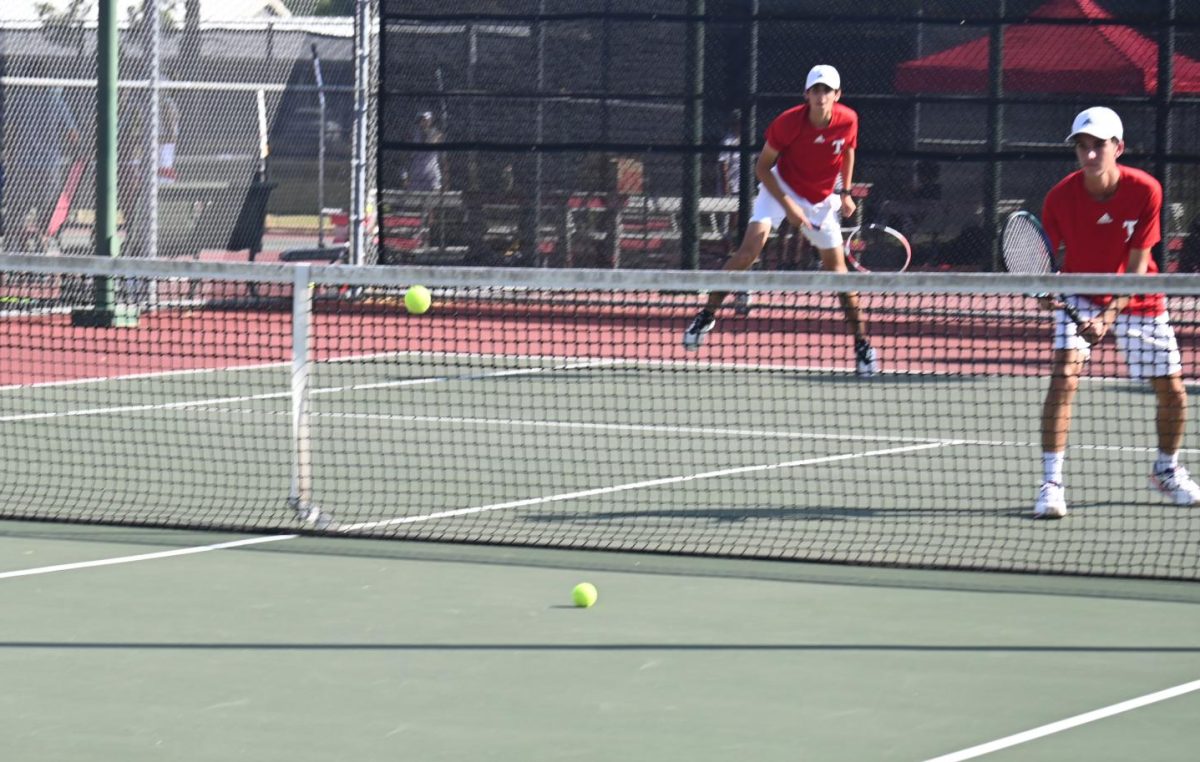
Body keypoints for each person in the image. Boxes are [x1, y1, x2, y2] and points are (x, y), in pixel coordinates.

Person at [1033, 106, 1200, 519]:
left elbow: (1139, 265)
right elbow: (1041, 263)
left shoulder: (1146, 190)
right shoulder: (1059, 197)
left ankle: (1165, 469)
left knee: (1173, 394)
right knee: (1063, 378)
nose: (1089, 155)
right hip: (1081, 292)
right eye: (1082, 147)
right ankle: (1051, 484)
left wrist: (1108, 318)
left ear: (1118, 147)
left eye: (1098, 146)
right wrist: (1044, 294)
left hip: (1136, 296)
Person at [681, 65, 879, 377]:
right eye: (816, 90)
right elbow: (761, 168)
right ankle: (707, 314)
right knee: (748, 252)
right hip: (780, 188)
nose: (821, 96)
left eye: (827, 91)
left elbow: (849, 150)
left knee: (840, 274)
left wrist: (845, 191)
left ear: (837, 95)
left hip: (821, 198)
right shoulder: (787, 123)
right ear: (806, 94)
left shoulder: (848, 119)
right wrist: (788, 206)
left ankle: (862, 345)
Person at [2, 86, 81, 250]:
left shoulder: (19, 98)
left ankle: (13, 243)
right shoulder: (54, 98)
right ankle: (43, 242)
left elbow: (9, 129)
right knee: (46, 206)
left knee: (17, 206)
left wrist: (9, 153)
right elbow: (73, 134)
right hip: (49, 163)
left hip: (23, 162)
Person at [407, 111, 446, 192]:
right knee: (414, 201)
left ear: (430, 121)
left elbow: (434, 141)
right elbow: (407, 157)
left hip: (431, 176)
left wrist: (430, 135)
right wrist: (404, 176)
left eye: (425, 120)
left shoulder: (436, 134)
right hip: (416, 176)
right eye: (421, 120)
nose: (423, 122)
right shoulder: (413, 136)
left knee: (433, 200)